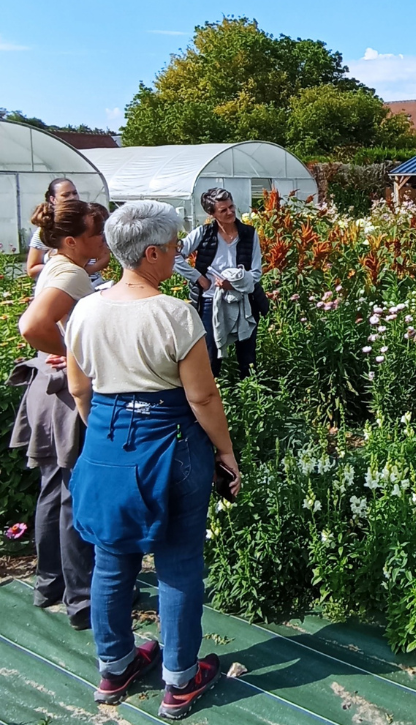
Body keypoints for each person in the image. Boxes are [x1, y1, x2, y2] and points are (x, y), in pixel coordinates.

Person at [65, 200, 241, 719]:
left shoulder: (85, 310)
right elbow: (203, 399)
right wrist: (226, 454)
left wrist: (104, 430)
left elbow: (79, 389)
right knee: (179, 559)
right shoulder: (173, 313)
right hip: (169, 441)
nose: (179, 255)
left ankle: (115, 666)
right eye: (172, 248)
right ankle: (180, 681)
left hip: (104, 440)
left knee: (111, 557)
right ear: (151, 252)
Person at [15, 197, 109, 630]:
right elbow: (32, 325)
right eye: (96, 232)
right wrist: (73, 352)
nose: (103, 237)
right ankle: (83, 600)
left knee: (53, 488)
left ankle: (49, 582)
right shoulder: (71, 273)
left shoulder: (59, 263)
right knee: (75, 492)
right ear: (72, 240)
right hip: (65, 396)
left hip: (43, 389)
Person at [174, 188, 264, 379]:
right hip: (210, 299)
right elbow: (175, 256)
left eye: (231, 207)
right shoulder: (203, 233)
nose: (230, 212)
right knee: (211, 352)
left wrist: (235, 284)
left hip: (243, 299)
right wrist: (198, 278)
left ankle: (249, 391)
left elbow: (256, 272)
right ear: (212, 214)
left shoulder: (249, 234)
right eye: (223, 210)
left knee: (247, 353)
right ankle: (212, 393)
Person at [27, 178, 110, 286]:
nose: (72, 197)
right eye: (65, 195)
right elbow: (32, 269)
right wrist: (67, 270)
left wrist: (86, 271)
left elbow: (104, 254)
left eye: (74, 193)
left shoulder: (87, 223)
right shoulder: (47, 229)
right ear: (53, 199)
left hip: (94, 283)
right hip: (62, 283)